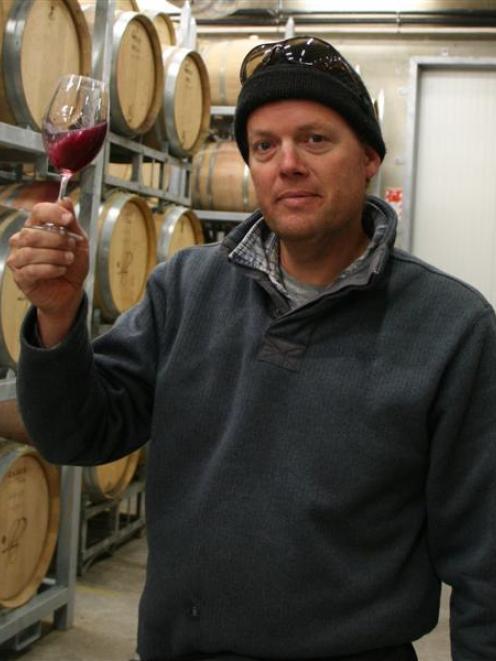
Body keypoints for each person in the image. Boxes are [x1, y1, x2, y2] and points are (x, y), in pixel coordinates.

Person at [7, 36, 496, 661]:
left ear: (370, 157)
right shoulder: (185, 288)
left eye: (315, 139)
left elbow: (485, 558)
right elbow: (78, 434)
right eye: (264, 146)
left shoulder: (451, 327)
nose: (286, 163)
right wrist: (56, 315)